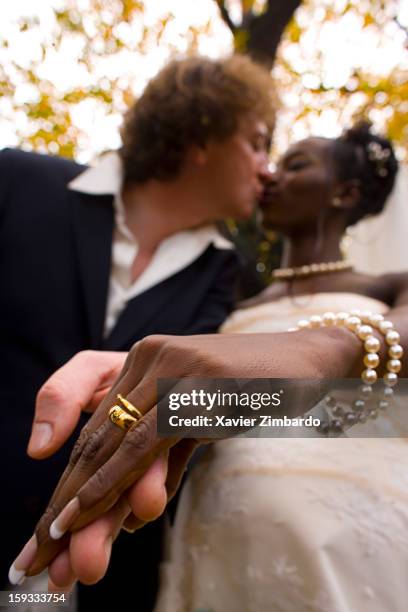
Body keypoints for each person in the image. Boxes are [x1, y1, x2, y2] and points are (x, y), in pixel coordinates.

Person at [1, 53, 276, 611]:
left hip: (102, 573)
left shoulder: (229, 274)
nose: (268, 168)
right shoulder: (18, 181)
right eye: (257, 142)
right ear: (203, 134)